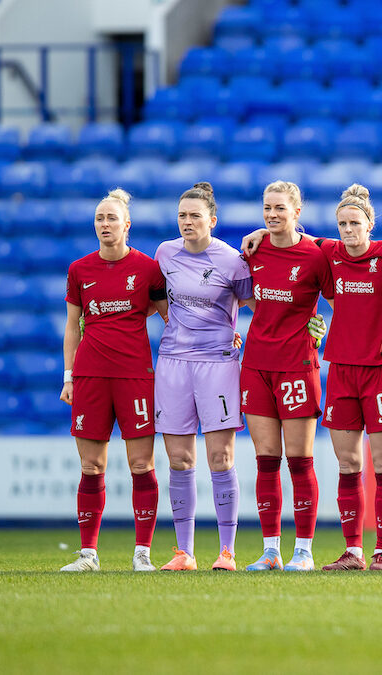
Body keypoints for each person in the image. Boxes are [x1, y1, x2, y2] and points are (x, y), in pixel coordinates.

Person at [241, 185, 382, 572]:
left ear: (371, 224)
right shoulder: (327, 252)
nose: (348, 230)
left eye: (355, 223)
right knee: (348, 463)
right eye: (343, 224)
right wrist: (262, 233)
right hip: (342, 370)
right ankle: (354, 551)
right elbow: (294, 234)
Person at [59, 188, 168, 572]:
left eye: (111, 218)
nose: (105, 224)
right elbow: (73, 327)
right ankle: (88, 554)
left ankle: (143, 554)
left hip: (135, 375)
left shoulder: (148, 269)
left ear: (127, 225)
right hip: (90, 375)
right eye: (99, 219)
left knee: (141, 465)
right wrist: (69, 376)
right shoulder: (79, 270)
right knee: (91, 467)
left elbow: (169, 316)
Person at [154, 182, 252, 572]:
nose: (187, 222)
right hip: (174, 363)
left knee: (221, 456)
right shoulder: (164, 254)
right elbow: (158, 299)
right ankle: (184, 553)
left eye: (195, 215)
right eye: (182, 215)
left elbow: (257, 307)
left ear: (212, 220)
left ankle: (226, 551)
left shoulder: (232, 261)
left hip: (218, 365)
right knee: (179, 459)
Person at [242, 180, 333, 572]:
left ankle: (304, 551)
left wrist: (323, 326)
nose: (272, 214)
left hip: (297, 365)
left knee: (299, 461)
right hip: (257, 365)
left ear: (297, 211)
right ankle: (271, 551)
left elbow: (346, 298)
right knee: (266, 461)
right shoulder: (253, 249)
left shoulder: (315, 254)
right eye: (267, 208)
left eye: (280, 208)